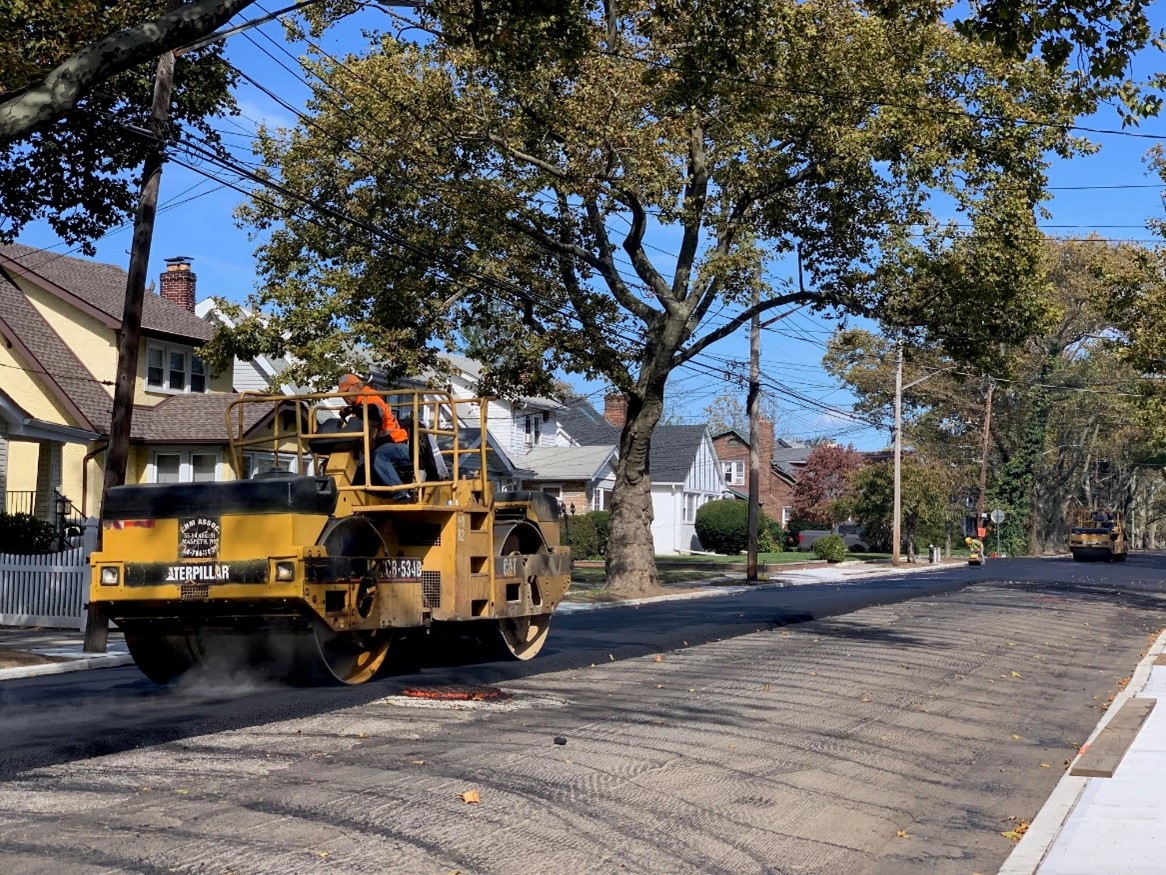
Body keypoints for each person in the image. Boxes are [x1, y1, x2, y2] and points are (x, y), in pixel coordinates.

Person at [336, 374, 412, 492]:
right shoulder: (358, 405)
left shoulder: (371, 397)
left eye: (346, 391)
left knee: (378, 456)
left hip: (397, 446)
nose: (344, 396)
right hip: (381, 446)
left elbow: (376, 412)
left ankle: (401, 493)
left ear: (357, 387)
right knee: (357, 461)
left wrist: (352, 409)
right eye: (342, 394)